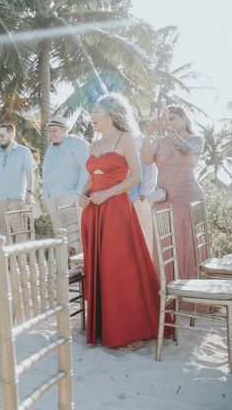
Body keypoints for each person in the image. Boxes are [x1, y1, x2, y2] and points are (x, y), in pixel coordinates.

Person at [79, 94, 164, 349]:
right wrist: (82, 194)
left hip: (116, 210)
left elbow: (136, 177)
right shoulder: (94, 143)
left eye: (95, 110)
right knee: (100, 267)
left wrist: (107, 194)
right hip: (93, 212)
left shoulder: (125, 139)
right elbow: (91, 178)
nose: (91, 116)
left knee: (119, 267)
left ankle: (129, 329)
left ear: (111, 114)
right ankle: (107, 326)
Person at [142, 105, 205, 281]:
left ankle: (192, 298)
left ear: (184, 119)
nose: (168, 123)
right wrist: (148, 133)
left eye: (173, 118)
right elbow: (146, 160)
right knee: (165, 244)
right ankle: (167, 295)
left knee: (188, 244)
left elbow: (184, 148)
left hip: (188, 197)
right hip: (163, 198)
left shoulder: (196, 139)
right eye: (166, 119)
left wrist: (168, 127)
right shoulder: (159, 141)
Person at [0, 123, 37, 242]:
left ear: (11, 134)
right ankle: (8, 261)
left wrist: (29, 192)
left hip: (17, 198)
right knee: (2, 234)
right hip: (0, 199)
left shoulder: (24, 151)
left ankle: (22, 260)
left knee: (20, 233)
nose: (0, 138)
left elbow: (30, 174)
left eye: (2, 135)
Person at [42, 116, 89, 235]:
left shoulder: (77, 144)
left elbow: (87, 167)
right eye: (50, 131)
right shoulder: (50, 149)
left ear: (64, 130)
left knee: (76, 234)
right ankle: (63, 255)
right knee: (59, 235)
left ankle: (82, 254)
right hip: (51, 197)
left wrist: (78, 193)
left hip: (70, 197)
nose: (52, 134)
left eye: (55, 130)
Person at [129, 135, 158, 260]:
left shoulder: (138, 139)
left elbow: (150, 169)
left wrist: (143, 194)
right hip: (123, 201)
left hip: (138, 199)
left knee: (146, 238)